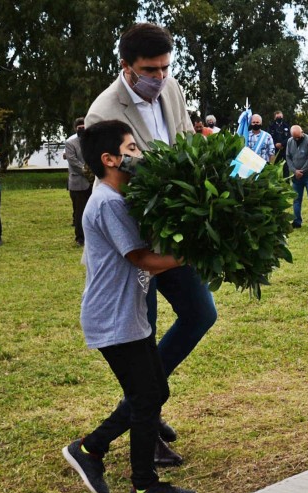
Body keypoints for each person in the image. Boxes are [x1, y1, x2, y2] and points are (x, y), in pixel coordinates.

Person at [86, 22, 217, 466]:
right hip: (139, 242)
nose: (160, 77)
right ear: (126, 67)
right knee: (143, 335)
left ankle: (137, 409)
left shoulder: (172, 88)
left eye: (165, 67)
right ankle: (146, 417)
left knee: (201, 313)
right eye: (149, 69)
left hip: (176, 234)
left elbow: (183, 145)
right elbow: (115, 185)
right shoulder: (103, 111)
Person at [62, 120, 197, 493]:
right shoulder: (107, 203)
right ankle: (143, 488)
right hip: (113, 320)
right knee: (146, 398)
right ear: (110, 159)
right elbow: (142, 259)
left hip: (128, 316)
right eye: (132, 147)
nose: (139, 153)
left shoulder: (120, 199)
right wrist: (195, 254)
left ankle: (90, 448)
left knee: (155, 392)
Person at [286, 125, 308, 230]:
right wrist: (295, 171)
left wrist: (302, 171)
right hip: (296, 176)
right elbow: (288, 157)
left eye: (298, 137)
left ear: (302, 132)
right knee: (296, 200)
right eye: (294, 137)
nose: (296, 139)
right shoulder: (290, 142)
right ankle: (297, 221)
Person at [66, 118, 92, 246]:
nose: (82, 129)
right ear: (75, 128)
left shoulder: (92, 139)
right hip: (78, 183)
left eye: (84, 126)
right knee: (79, 212)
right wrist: (88, 172)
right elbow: (73, 161)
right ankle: (80, 238)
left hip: (93, 183)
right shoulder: (70, 143)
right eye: (79, 127)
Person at [268, 111, 291, 175]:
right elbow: (269, 137)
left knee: (286, 167)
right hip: (274, 150)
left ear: (282, 117)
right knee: (273, 167)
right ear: (275, 118)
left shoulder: (286, 126)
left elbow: (289, 137)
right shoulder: (271, 126)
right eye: (277, 117)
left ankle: (286, 182)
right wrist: (275, 144)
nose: (279, 118)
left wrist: (282, 144)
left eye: (280, 117)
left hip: (284, 149)